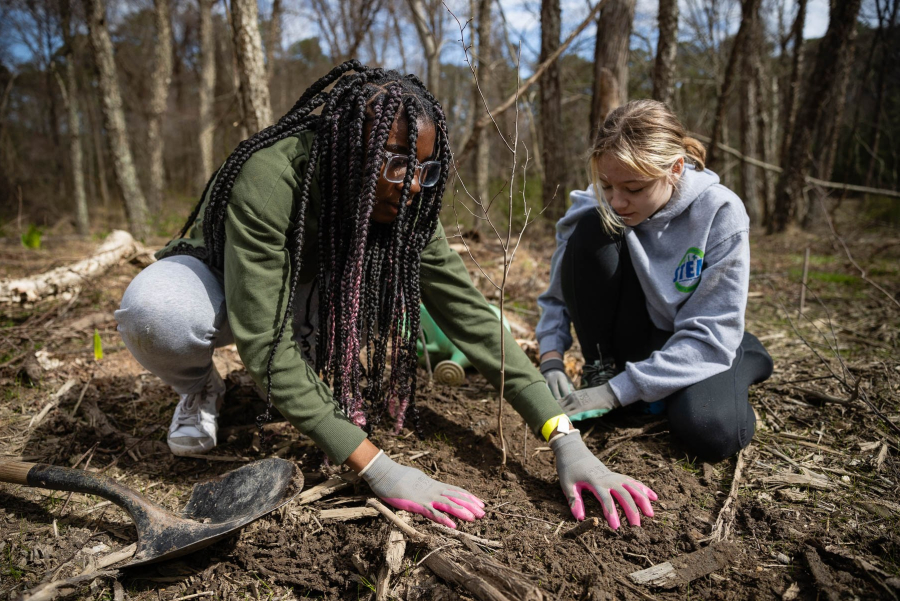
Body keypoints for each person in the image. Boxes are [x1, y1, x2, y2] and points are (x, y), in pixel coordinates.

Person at [115, 62, 657, 530]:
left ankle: (318, 375)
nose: (414, 184)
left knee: (382, 294)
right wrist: (377, 466)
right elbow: (264, 341)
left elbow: (468, 315)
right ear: (349, 151)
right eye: (395, 163)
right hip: (222, 284)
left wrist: (563, 438)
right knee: (156, 313)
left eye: (425, 168)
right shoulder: (273, 178)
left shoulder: (408, 200)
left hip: (320, 291)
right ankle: (199, 388)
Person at [537, 100, 774, 463]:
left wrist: (618, 393)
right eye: (607, 185)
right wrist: (551, 357)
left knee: (712, 431)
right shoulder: (597, 205)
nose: (618, 201)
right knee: (593, 226)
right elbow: (559, 292)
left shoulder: (719, 212)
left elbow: (710, 333)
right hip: (632, 332)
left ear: (675, 168)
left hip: (695, 338)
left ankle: (747, 353)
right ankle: (604, 368)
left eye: (633, 188)